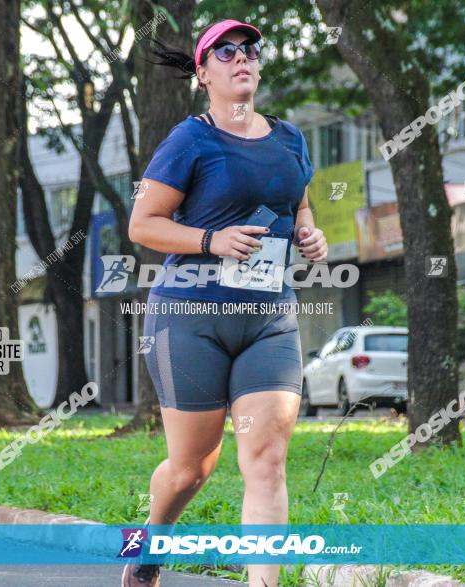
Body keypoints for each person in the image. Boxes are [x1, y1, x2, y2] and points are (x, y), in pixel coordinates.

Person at [123, 19, 328, 587]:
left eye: (250, 50)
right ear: (202, 73)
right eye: (226, 51)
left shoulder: (290, 139)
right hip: (190, 318)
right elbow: (143, 224)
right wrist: (211, 241)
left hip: (268, 319)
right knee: (192, 469)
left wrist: (311, 235)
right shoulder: (191, 139)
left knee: (265, 460)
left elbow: (300, 205)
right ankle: (150, 548)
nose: (242, 58)